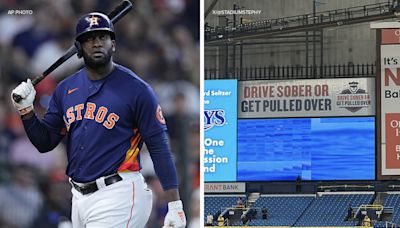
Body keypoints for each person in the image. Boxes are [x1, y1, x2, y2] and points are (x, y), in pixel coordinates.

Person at [10, 12, 186, 228]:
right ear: (79, 48)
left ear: (113, 44)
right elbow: (45, 142)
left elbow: (159, 148)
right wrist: (26, 110)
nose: (96, 43)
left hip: (119, 192)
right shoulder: (65, 89)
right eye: (89, 38)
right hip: (78, 197)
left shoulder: (137, 90)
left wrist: (175, 204)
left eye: (102, 37)